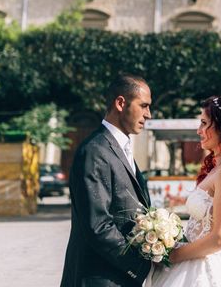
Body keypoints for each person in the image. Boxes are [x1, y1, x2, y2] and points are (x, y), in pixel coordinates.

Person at [146, 92, 221, 287]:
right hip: (192, 265)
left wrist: (174, 255)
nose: (199, 130)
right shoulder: (220, 168)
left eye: (204, 123)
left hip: (205, 273)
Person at [61, 74, 153, 286]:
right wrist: (139, 265)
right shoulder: (95, 151)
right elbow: (98, 225)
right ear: (121, 103)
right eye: (144, 106)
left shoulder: (122, 148)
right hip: (98, 278)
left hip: (118, 276)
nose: (148, 114)